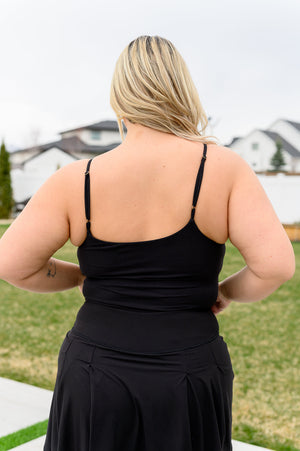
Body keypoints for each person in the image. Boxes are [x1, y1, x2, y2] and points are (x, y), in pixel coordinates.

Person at [0, 35, 295, 451]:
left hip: (94, 373)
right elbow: (276, 266)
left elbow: (13, 264)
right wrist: (224, 292)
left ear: (120, 97)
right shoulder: (224, 168)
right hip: (189, 370)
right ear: (182, 89)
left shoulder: (75, 179)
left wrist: (78, 277)